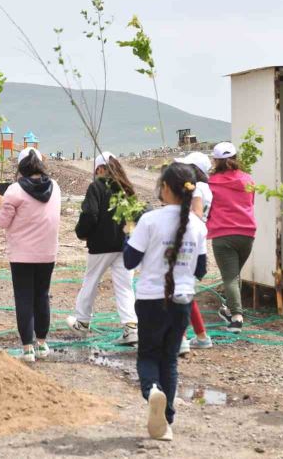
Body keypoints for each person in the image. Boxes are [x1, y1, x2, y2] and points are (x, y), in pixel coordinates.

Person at [123, 162, 208, 441]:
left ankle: (152, 392)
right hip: (182, 300)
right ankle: (167, 420)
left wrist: (129, 234)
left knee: (148, 355)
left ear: (167, 189)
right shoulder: (198, 225)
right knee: (169, 359)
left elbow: (129, 260)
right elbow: (201, 269)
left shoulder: (150, 220)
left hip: (151, 299)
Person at [0, 147, 61, 363]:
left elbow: (2, 222)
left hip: (21, 254)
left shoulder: (14, 191)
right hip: (47, 253)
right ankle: (42, 344)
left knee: (24, 298)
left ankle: (27, 349)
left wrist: (0, 203)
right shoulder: (55, 187)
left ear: (21, 167)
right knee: (42, 296)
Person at [68, 151, 138, 346]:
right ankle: (131, 327)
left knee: (91, 281)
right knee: (125, 286)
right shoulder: (126, 188)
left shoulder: (96, 187)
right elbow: (135, 216)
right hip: (126, 245)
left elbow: (90, 214)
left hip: (101, 246)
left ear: (100, 169)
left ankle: (82, 323)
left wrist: (81, 232)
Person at [208, 141, 256, 334]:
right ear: (236, 158)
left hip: (223, 235)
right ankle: (229, 309)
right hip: (247, 234)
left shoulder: (211, 183)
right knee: (234, 275)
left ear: (216, 161)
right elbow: (251, 202)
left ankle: (236, 318)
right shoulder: (248, 180)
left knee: (230, 277)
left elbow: (207, 207)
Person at [174, 151, 214, 354]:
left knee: (176, 289)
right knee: (185, 290)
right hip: (197, 240)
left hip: (186, 240)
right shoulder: (207, 188)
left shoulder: (197, 189)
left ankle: (180, 339)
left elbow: (196, 213)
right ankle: (201, 336)